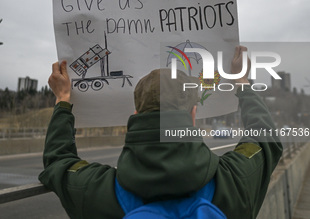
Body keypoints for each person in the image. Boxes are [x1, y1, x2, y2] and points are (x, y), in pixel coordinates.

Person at [39, 46, 283, 219]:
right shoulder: (235, 181)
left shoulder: (94, 192)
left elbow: (58, 160)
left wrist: (63, 99)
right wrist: (241, 81)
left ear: (135, 114)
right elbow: (266, 138)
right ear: (193, 115)